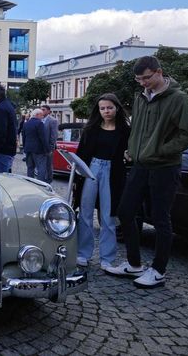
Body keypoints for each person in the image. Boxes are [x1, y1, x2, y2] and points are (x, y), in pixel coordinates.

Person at [106, 56, 188, 288]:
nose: (143, 83)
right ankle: (134, 264)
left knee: (160, 219)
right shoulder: (140, 97)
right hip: (140, 165)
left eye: (146, 78)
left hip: (164, 167)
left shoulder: (179, 99)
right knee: (126, 212)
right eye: (139, 79)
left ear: (159, 72)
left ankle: (158, 270)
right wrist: (132, 148)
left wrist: (159, 150)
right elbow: (137, 127)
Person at [72, 93, 130, 271]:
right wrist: (78, 176)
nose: (106, 111)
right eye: (103, 108)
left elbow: (129, 153)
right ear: (98, 110)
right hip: (92, 169)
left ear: (117, 108)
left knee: (108, 216)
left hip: (113, 173)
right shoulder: (91, 129)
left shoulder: (125, 130)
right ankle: (83, 254)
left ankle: (107, 258)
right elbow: (81, 153)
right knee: (86, 213)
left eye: (110, 107)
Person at [22, 109, 48, 181]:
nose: (42, 117)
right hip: (38, 150)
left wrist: (25, 148)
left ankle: (30, 183)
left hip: (28, 149)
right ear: (37, 115)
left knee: (30, 168)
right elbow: (43, 138)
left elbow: (24, 137)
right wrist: (47, 150)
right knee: (41, 168)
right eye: (41, 115)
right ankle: (40, 184)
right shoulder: (39, 123)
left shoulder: (26, 124)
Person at [41, 105, 59, 183]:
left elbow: (54, 135)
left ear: (48, 111)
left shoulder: (53, 120)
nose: (42, 111)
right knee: (42, 165)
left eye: (44, 110)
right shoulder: (39, 119)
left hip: (49, 147)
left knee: (48, 165)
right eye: (41, 109)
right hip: (40, 147)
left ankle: (49, 181)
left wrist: (51, 147)